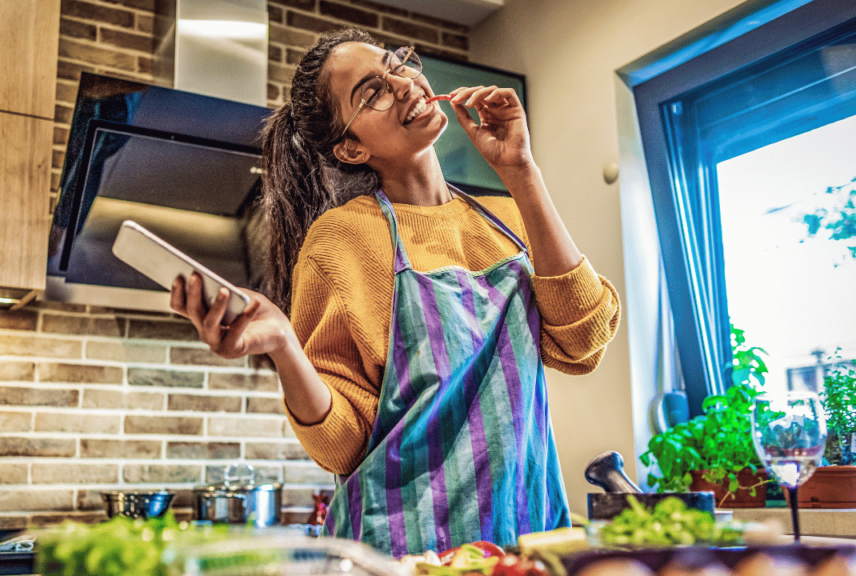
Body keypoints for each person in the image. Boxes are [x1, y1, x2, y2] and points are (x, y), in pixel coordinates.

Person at [169, 28, 621, 556]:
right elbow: (343, 445)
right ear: (351, 147)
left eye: (398, 64)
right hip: (402, 552)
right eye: (372, 91)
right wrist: (285, 348)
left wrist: (521, 170)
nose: (404, 84)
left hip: (525, 543)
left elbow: (583, 343)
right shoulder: (341, 240)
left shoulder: (506, 219)